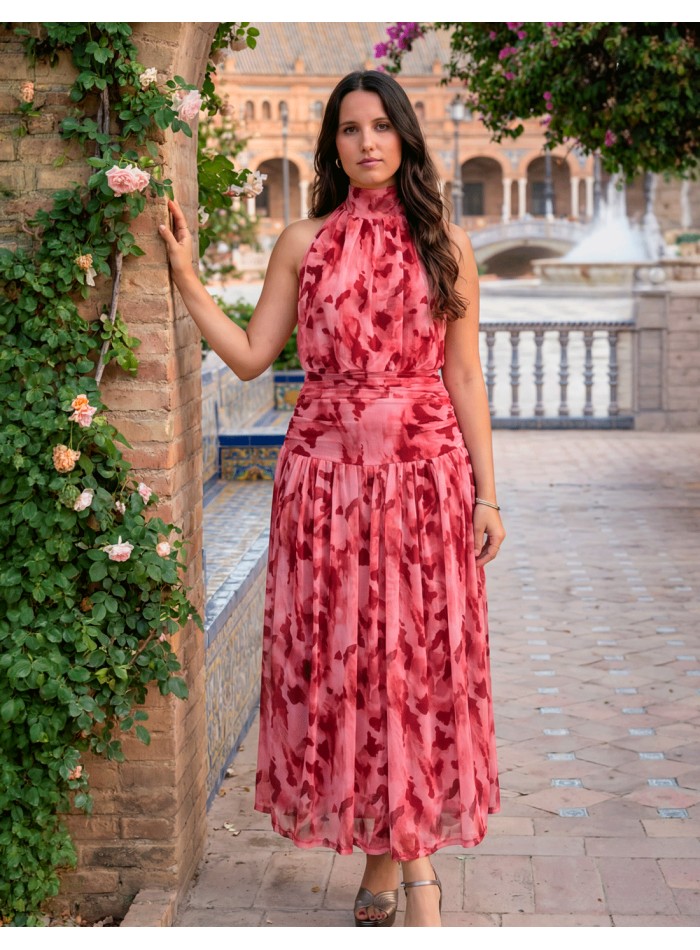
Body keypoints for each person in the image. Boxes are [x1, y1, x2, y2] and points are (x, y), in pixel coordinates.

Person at [159, 69, 505, 928]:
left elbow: (463, 372)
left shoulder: (446, 246)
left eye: (382, 126)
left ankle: (409, 871)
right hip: (324, 487)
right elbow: (250, 357)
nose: (367, 143)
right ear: (333, 143)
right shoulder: (300, 240)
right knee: (355, 669)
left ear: (405, 137)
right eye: (350, 129)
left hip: (424, 481)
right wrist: (187, 277)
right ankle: (393, 868)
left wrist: (488, 494)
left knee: (413, 668)